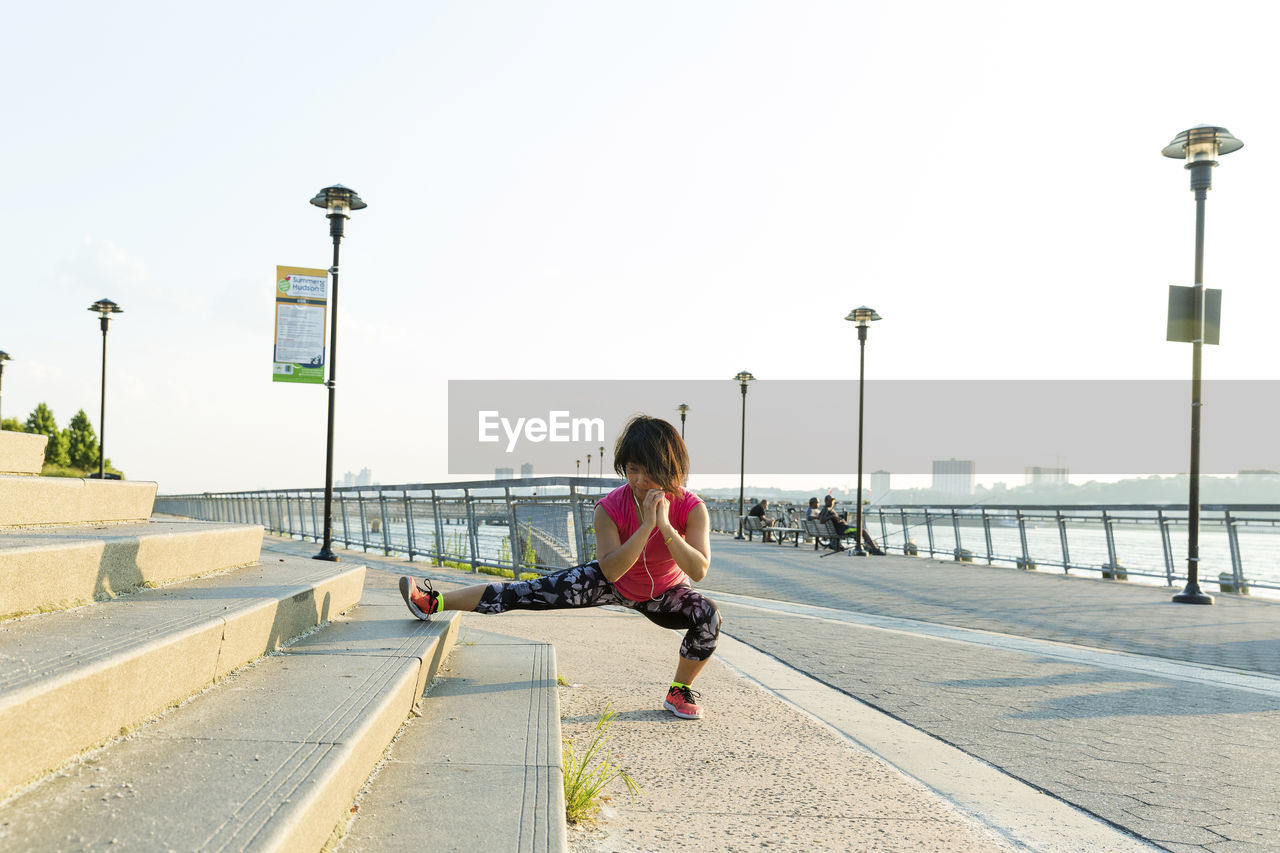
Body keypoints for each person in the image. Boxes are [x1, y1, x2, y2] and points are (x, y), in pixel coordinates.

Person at [399, 415, 720, 720]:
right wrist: (646, 525)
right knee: (521, 592)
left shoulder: (692, 507)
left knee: (707, 616)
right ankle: (433, 602)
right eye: (632, 470)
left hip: (664, 593)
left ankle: (680, 690)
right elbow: (611, 571)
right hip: (610, 582)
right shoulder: (610, 507)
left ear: (669, 469)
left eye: (647, 471)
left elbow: (698, 569)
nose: (638, 480)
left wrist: (664, 526)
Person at [818, 495, 884, 555]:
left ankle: (864, 548)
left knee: (857, 532)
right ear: (826, 501)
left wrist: (837, 518)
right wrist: (832, 516)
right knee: (863, 531)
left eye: (833, 501)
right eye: (830, 501)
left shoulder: (826, 509)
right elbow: (821, 520)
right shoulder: (827, 509)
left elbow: (819, 517)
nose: (832, 502)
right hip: (843, 530)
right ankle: (875, 550)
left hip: (842, 529)